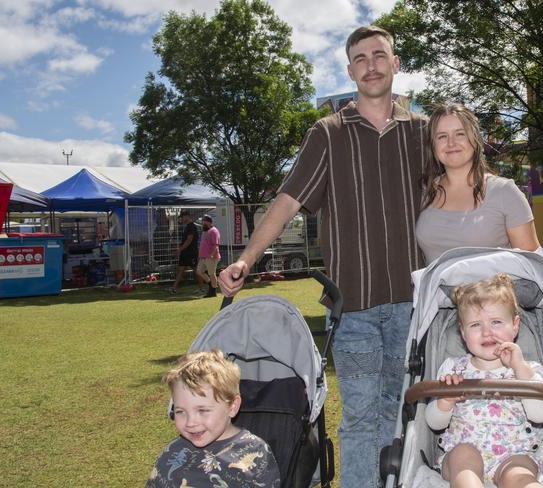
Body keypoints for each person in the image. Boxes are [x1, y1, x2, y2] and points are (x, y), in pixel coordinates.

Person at [219, 25, 427, 488]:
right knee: (359, 419)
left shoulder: (424, 133)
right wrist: (246, 259)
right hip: (353, 307)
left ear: (396, 64)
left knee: (407, 413)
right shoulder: (328, 133)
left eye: (379, 55)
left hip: (417, 308)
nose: (370, 64)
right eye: (360, 58)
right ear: (349, 70)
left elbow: (462, 194)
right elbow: (289, 200)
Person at [425, 273, 543, 487]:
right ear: (463, 332)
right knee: (464, 460)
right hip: (463, 451)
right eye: (475, 325)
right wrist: (445, 401)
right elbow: (433, 422)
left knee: (520, 477)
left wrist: (520, 370)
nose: (486, 332)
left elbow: (541, 415)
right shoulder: (453, 369)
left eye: (496, 322)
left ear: (515, 325)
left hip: (514, 453)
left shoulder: (527, 370)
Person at [416, 103, 540, 265]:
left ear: (475, 140)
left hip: (493, 289)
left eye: (460, 134)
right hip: (434, 290)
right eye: (442, 136)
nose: (451, 143)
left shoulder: (504, 192)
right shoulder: (426, 192)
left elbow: (533, 264)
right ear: (433, 146)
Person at [145, 350, 281, 488]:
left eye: (202, 410)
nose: (190, 422)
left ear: (232, 407)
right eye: (180, 411)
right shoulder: (172, 451)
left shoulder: (256, 449)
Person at [167, 210, 202, 294]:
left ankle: (202, 288)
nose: (181, 219)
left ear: (187, 216)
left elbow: (189, 240)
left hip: (191, 252)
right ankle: (173, 288)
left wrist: (180, 249)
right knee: (181, 270)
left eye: (182, 217)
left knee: (196, 271)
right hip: (185, 252)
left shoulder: (191, 226)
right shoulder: (187, 226)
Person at [196, 215, 221, 298]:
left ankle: (213, 292)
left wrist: (211, 254)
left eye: (203, 221)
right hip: (203, 257)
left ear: (208, 222)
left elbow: (215, 245)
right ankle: (211, 284)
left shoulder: (214, 231)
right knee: (199, 271)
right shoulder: (204, 231)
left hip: (211, 257)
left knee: (211, 273)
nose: (202, 223)